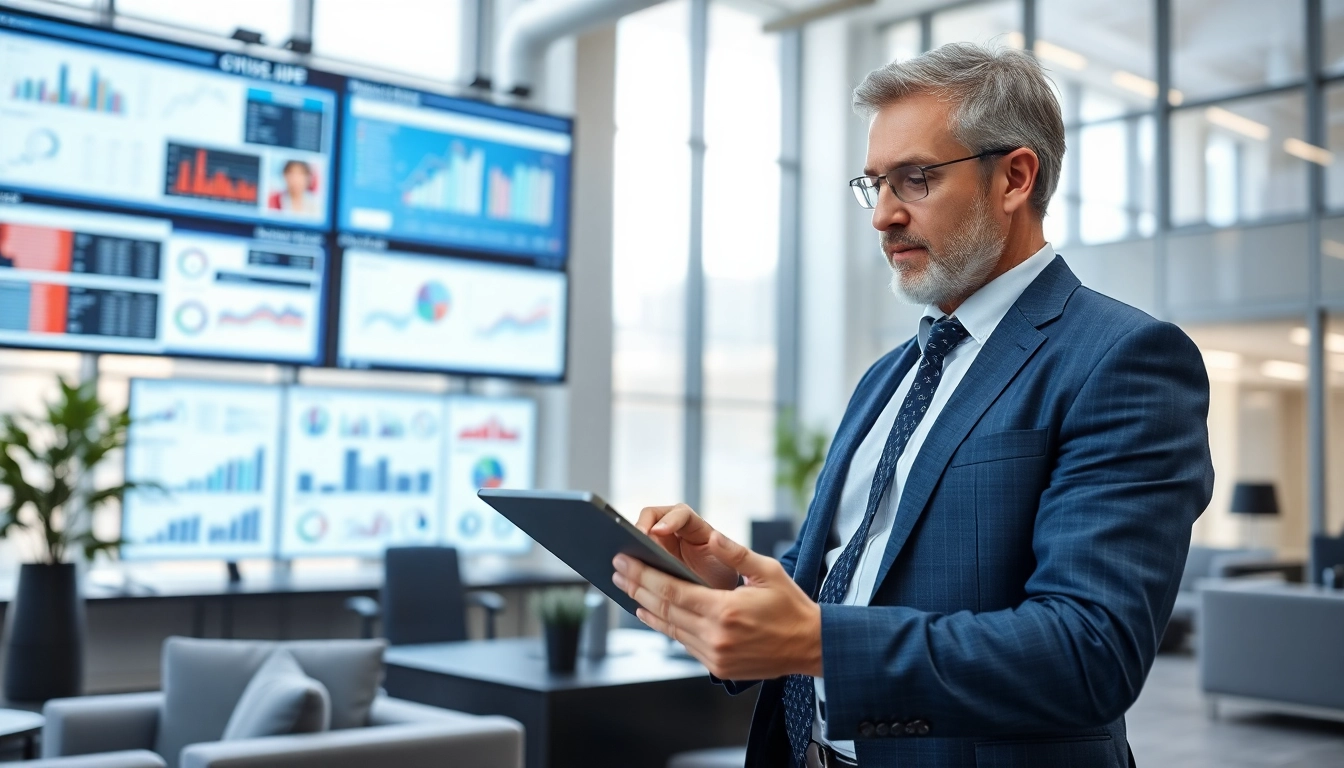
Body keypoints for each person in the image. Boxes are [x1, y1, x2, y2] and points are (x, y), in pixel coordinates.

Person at [611, 42, 1213, 768]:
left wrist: (814, 641)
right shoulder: (889, 375)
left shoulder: (1123, 358)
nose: (883, 216)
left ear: (1015, 178)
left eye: (915, 180)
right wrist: (733, 582)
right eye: (874, 185)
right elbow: (839, 574)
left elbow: (1090, 652)